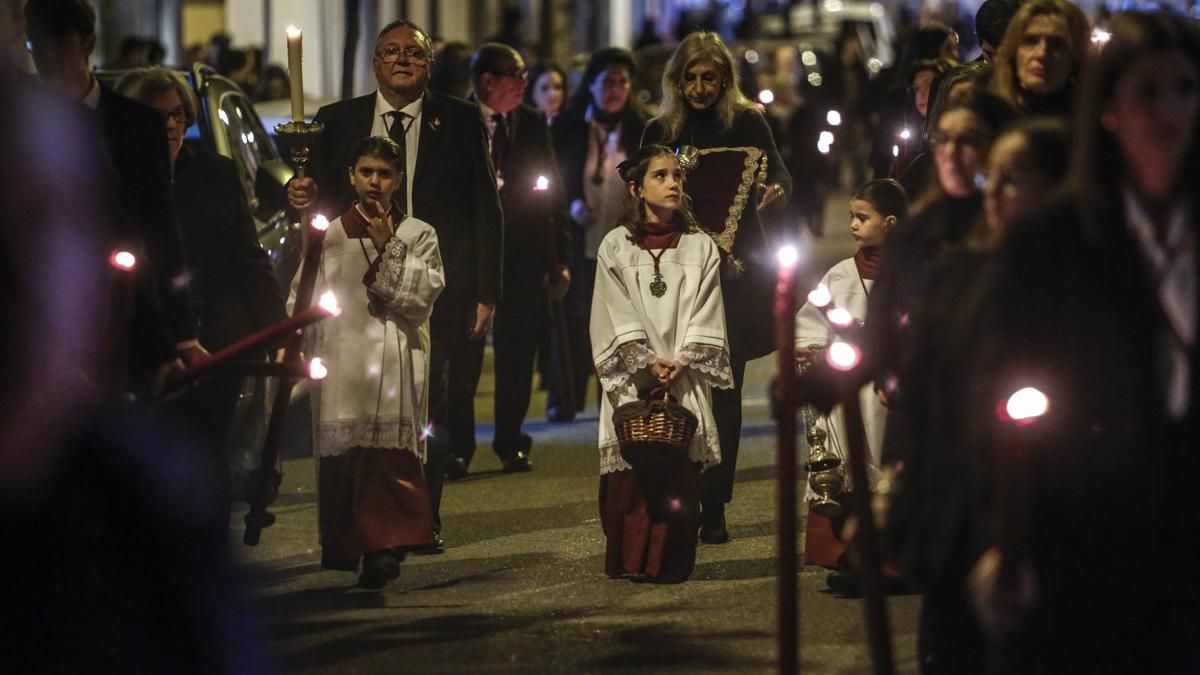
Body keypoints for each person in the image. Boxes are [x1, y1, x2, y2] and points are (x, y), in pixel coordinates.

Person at [967, 12, 1200, 672]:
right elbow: (1005, 390)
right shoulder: (1055, 238)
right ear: (1109, 109)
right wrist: (1009, 538)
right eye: (1147, 92)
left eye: (1185, 89)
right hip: (1086, 522)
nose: (1168, 111)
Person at [287, 19, 503, 553]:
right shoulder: (336, 119)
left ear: (429, 65)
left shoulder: (460, 118)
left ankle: (422, 517)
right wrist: (297, 195)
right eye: (390, 51)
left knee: (431, 402)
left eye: (413, 52)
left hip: (434, 283)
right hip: (354, 292)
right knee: (357, 407)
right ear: (375, 63)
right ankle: (360, 522)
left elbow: (485, 206)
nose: (402, 59)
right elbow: (317, 202)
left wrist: (487, 291)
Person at [883, 118, 1070, 674]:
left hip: (1044, 517)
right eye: (993, 177)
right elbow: (920, 386)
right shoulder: (956, 274)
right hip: (956, 510)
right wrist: (896, 484)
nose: (993, 191)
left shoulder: (1076, 286)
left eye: (1014, 178)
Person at [115, 66, 288, 532]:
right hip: (143, 345)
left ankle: (205, 545)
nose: (171, 126)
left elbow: (248, 258)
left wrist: (279, 332)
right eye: (157, 117)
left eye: (178, 115)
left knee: (207, 455)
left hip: (216, 343)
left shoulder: (214, 173)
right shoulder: (111, 177)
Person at [642, 30, 792, 544]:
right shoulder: (661, 129)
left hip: (735, 274)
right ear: (677, 80)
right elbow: (639, 190)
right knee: (677, 385)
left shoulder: (747, 122)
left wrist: (776, 190)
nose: (700, 88)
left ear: (725, 80)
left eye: (710, 78)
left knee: (725, 388)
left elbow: (779, 171)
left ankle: (715, 503)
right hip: (675, 274)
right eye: (691, 78)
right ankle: (675, 494)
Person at [25, 0, 206, 397]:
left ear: (87, 44)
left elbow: (159, 230)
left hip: (126, 321)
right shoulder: (21, 122)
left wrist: (181, 336)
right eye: (38, 45)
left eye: (61, 44)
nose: (50, 57)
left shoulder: (137, 124)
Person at [297, 136, 444, 588]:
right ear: (351, 176)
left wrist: (389, 247)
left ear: (398, 180)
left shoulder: (418, 233)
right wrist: (300, 337)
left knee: (387, 458)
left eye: (383, 174)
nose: (374, 182)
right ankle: (352, 546)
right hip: (343, 357)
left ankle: (386, 547)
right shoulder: (330, 234)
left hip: (395, 356)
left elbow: (423, 297)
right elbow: (304, 294)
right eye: (366, 172)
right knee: (348, 456)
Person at [591, 145, 732, 584]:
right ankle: (632, 557)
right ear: (636, 188)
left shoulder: (700, 247)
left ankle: (668, 561)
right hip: (632, 374)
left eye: (677, 176)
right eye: (661, 176)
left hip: (681, 373)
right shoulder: (615, 245)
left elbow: (708, 306)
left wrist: (684, 358)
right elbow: (610, 308)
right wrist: (644, 359)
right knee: (631, 466)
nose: (674, 183)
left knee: (678, 467)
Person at [455, 42, 569, 476]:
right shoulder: (456, 118)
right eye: (515, 75)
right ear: (487, 81)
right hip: (471, 254)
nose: (524, 83)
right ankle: (458, 447)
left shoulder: (532, 123)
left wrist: (559, 258)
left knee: (518, 352)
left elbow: (552, 191)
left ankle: (510, 441)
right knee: (464, 354)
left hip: (523, 253)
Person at [795, 178, 908, 590]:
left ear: (890, 222)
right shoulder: (840, 275)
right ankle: (847, 554)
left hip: (891, 393)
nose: (853, 225)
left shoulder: (912, 274)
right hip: (849, 392)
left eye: (863, 217)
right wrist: (809, 347)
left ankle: (893, 560)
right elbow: (811, 322)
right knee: (849, 465)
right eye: (851, 217)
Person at [550, 47, 650, 422]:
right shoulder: (569, 126)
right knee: (576, 316)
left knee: (627, 320)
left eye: (622, 82)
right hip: (579, 237)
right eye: (607, 82)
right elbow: (556, 175)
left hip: (626, 240)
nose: (614, 90)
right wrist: (572, 203)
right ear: (591, 84)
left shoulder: (641, 129)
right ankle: (566, 395)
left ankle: (628, 398)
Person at [989, 0, 1089, 118]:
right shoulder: (984, 115)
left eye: (1057, 44)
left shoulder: (1092, 118)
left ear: (1076, 56)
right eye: (1030, 41)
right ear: (1013, 51)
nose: (1042, 54)